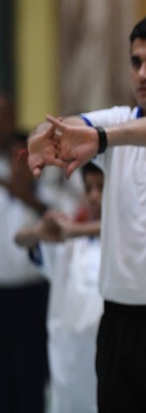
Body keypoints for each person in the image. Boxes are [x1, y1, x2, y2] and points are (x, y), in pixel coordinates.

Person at [27, 15, 146, 412]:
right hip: (118, 326)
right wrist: (40, 140)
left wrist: (98, 139)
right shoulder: (116, 121)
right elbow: (60, 130)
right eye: (135, 62)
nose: (142, 73)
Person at [15, 162, 104, 413]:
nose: (94, 196)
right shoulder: (69, 245)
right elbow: (21, 239)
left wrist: (73, 229)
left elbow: (120, 229)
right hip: (70, 380)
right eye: (89, 188)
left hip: (113, 375)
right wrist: (41, 229)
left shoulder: (130, 243)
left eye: (102, 187)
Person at [0, 130, 49, 413]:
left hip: (32, 295)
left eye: (24, 158)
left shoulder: (46, 194)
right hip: (2, 294)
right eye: (13, 158)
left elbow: (53, 213)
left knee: (30, 371)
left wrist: (20, 189)